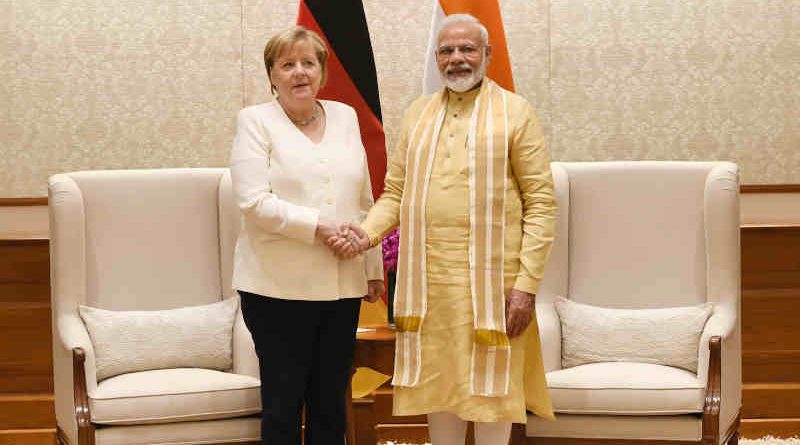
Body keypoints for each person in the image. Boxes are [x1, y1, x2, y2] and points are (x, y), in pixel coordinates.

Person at [332, 14, 557, 445]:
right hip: (430, 286)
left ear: (487, 55)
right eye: (447, 51)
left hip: (496, 288)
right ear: (437, 58)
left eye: (468, 49)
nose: (457, 59)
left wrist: (526, 286)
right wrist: (365, 235)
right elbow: (395, 193)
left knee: (493, 394)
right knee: (439, 392)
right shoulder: (419, 114)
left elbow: (542, 205)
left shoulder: (516, 113)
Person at [229, 25, 384, 445]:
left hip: (342, 285)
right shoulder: (255, 121)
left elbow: (365, 199)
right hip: (276, 288)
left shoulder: (346, 117)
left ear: (322, 72)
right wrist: (320, 225)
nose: (299, 72)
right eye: (288, 64)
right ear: (272, 75)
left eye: (308, 63)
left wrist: (371, 266)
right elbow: (253, 202)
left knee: (331, 405)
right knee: (283, 407)